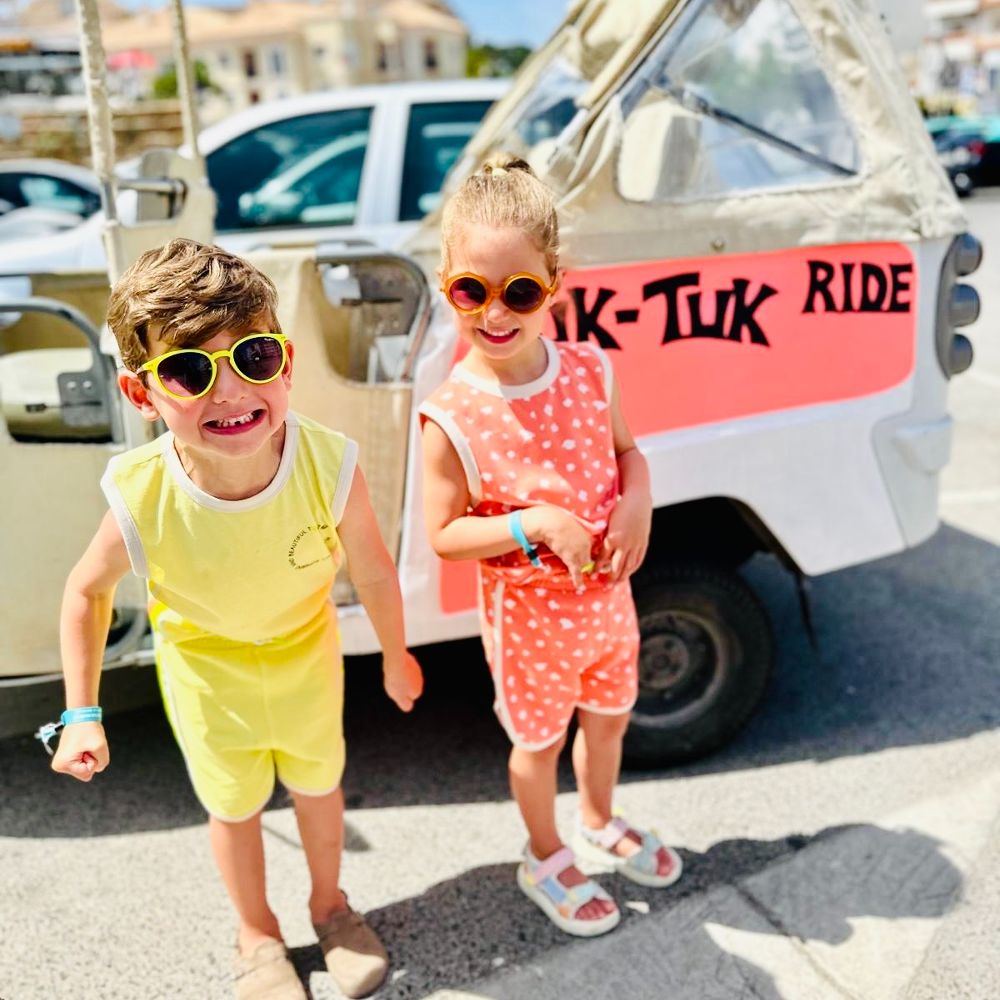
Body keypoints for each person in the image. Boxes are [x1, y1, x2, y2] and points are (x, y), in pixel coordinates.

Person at [46, 239, 424, 999]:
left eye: (250, 357)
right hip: (205, 673)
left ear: (284, 362)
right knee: (233, 806)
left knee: (321, 789)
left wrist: (395, 652)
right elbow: (84, 593)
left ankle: (330, 905)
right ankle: (256, 932)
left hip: (306, 658)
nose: (228, 393)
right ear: (141, 393)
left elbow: (375, 570)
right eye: (188, 371)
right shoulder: (141, 491)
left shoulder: (329, 464)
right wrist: (82, 712)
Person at [419, 156, 683, 937]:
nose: (495, 313)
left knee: (609, 719)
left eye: (520, 292)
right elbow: (442, 534)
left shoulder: (592, 369)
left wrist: (637, 505)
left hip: (610, 606)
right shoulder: (452, 414)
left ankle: (599, 817)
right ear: (446, 283)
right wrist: (532, 522)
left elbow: (630, 455)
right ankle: (544, 852)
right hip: (530, 625)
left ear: (554, 283)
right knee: (537, 744)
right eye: (473, 291)